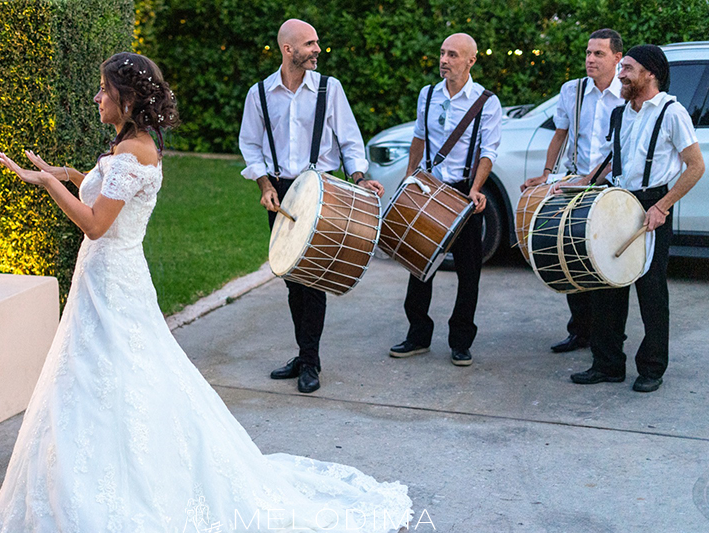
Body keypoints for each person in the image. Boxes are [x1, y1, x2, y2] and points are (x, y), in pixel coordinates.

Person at [0, 52, 411, 533]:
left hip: (112, 284)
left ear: (127, 99)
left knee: (116, 377)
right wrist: (64, 174)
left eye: (103, 90)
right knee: (104, 381)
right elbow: (103, 186)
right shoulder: (132, 149)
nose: (97, 98)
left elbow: (94, 224)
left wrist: (46, 186)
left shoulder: (132, 154)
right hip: (108, 283)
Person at [239, 19, 384, 394]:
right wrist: (264, 183)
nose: (318, 49)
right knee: (291, 278)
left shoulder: (329, 89)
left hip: (322, 191)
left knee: (313, 278)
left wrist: (359, 177)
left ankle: (311, 362)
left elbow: (351, 141)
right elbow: (249, 144)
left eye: (317, 42)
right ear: (289, 50)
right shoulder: (259, 93)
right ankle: (304, 355)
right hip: (280, 193)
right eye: (310, 43)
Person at [568, 45, 704, 392]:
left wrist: (663, 206)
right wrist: (582, 183)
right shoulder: (620, 112)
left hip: (653, 204)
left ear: (650, 72)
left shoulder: (672, 113)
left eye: (628, 68)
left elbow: (695, 167)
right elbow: (615, 162)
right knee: (607, 283)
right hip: (617, 202)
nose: (622, 74)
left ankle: (652, 368)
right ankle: (608, 364)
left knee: (650, 289)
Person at [388, 33, 501, 367]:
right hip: (427, 190)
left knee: (469, 273)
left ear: (471, 61)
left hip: (464, 193)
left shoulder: (486, 101)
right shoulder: (428, 94)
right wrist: (409, 178)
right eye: (441, 53)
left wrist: (477, 188)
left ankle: (461, 341)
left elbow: (489, 151)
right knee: (419, 264)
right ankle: (418, 335)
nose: (444, 60)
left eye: (452, 55)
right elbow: (419, 139)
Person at [521, 29, 624, 354]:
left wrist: (597, 179)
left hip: (611, 187)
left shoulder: (628, 92)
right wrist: (547, 175)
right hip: (576, 181)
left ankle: (607, 337)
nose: (590, 59)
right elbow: (559, 135)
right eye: (588, 53)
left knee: (603, 262)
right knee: (569, 255)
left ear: (618, 58)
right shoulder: (572, 90)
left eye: (599, 54)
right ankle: (579, 332)